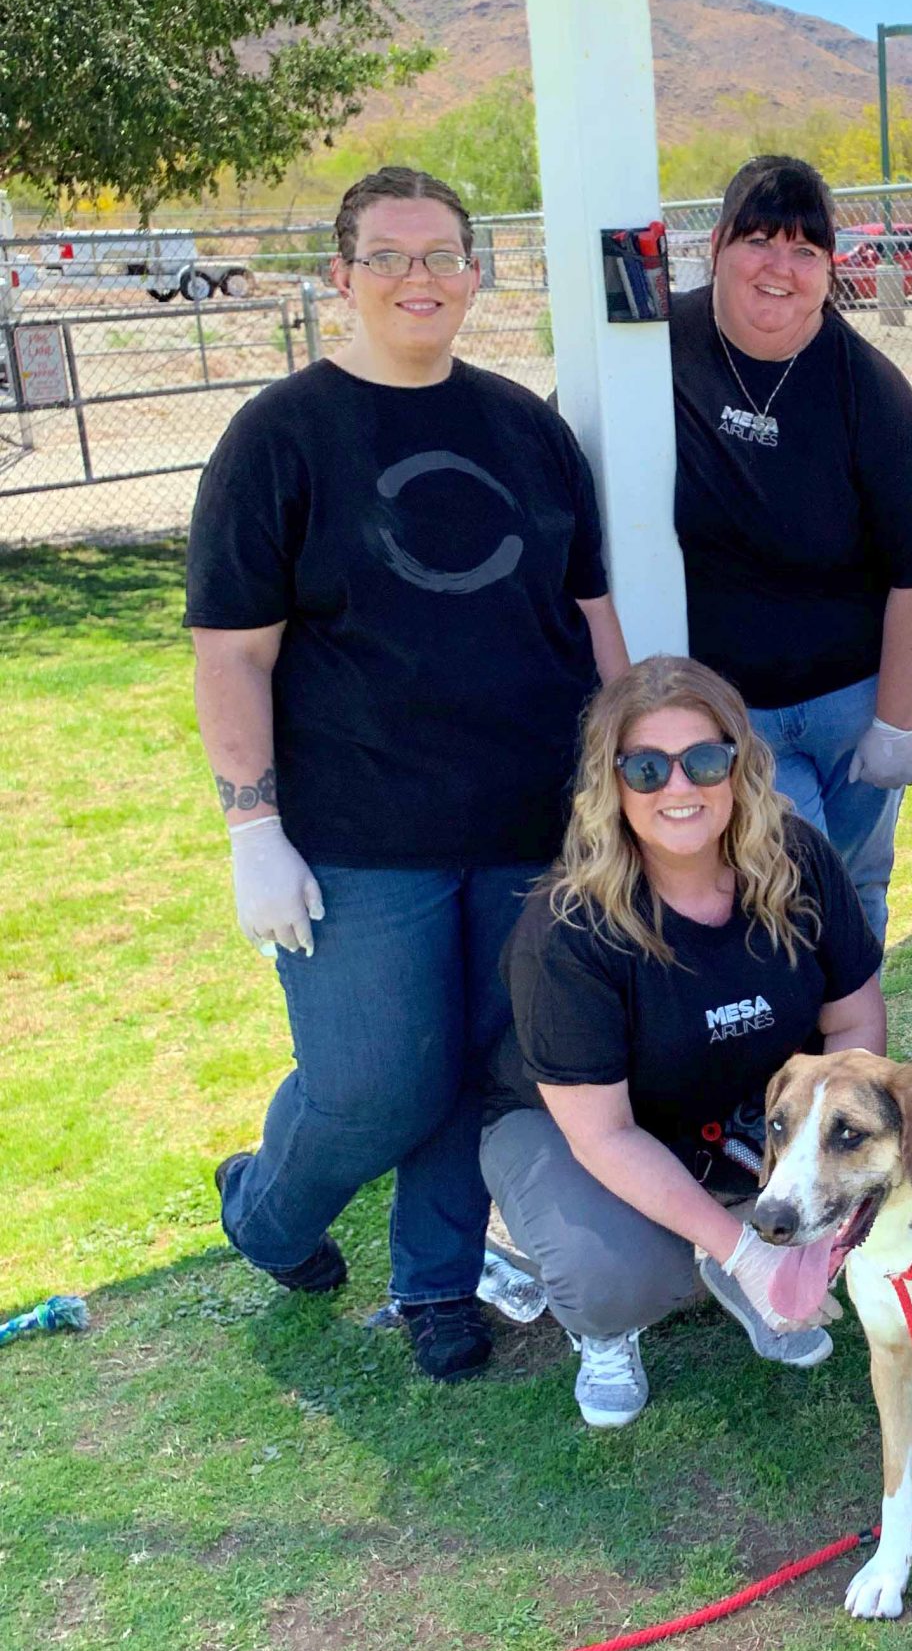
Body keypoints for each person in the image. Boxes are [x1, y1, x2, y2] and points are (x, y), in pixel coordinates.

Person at [187, 165, 628, 1383]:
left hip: (529, 817)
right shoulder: (280, 436)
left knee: (485, 1058)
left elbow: (589, 607)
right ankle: (266, 1211)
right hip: (357, 831)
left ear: (475, 275)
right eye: (388, 256)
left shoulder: (525, 428)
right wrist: (251, 826)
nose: (418, 278)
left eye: (442, 255)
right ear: (341, 278)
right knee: (377, 1082)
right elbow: (233, 648)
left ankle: (434, 1281)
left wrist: (624, 765)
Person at [478, 655, 885, 1429]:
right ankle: (603, 1314)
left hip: (735, 1105)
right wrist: (743, 1247)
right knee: (619, 1278)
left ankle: (737, 1244)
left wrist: (816, 1159)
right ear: (611, 783)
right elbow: (602, 1132)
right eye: (646, 768)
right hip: (576, 1126)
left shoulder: (799, 860)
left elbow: (855, 1025)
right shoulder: (566, 928)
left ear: (739, 764)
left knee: (851, 1197)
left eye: (703, 759)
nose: (679, 787)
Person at [671, 154, 912, 941]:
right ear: (716, 247)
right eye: (759, 242)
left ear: (831, 269)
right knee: (787, 888)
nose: (781, 268)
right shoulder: (659, 351)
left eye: (805, 251)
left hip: (853, 703)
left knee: (860, 880)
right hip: (732, 706)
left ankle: (856, 1056)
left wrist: (896, 725)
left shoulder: (870, 391)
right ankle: (794, 1049)